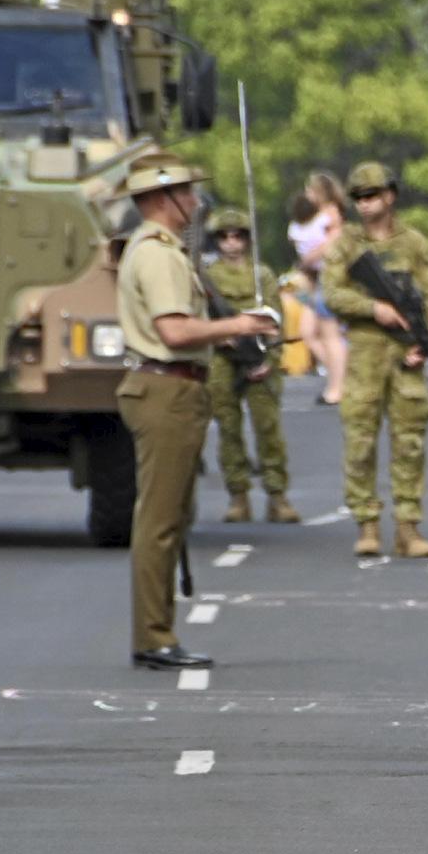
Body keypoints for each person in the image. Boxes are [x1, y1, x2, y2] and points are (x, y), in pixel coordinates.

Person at [116, 154, 277, 668]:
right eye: (187, 192)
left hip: (170, 388)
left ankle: (156, 632)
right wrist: (242, 326)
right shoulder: (159, 254)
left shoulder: (160, 249)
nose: (196, 201)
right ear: (163, 199)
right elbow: (175, 330)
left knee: (170, 516)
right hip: (166, 388)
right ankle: (153, 636)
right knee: (160, 520)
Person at [322, 161, 428, 560]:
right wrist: (374, 308)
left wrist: (425, 343)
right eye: (358, 197)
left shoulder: (414, 244)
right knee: (360, 440)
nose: (366, 204)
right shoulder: (346, 246)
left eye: (372, 195)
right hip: (365, 352)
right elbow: (333, 295)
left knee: (409, 441)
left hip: (404, 353)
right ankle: (366, 523)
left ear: (390, 195)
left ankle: (408, 527)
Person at [202, 208, 297, 525]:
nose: (232, 242)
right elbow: (200, 318)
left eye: (238, 235)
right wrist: (221, 338)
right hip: (222, 355)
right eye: (225, 236)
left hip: (258, 354)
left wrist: (269, 359)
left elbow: (275, 320)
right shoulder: (208, 276)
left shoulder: (262, 276)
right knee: (228, 428)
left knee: (268, 427)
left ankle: (277, 494)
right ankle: (238, 495)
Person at [288, 172, 348, 406]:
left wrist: (307, 259)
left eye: (311, 190)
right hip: (316, 278)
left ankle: (337, 387)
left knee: (330, 334)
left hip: (331, 275)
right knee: (308, 331)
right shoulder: (311, 217)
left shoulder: (331, 213)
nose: (308, 195)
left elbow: (334, 243)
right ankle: (339, 374)